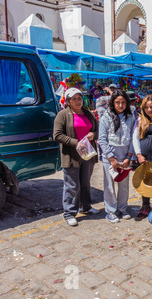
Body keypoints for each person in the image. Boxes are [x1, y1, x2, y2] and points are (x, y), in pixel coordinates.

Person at [53, 88, 99, 226]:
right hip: (72, 155)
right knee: (72, 185)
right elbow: (57, 135)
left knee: (85, 182)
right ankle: (69, 213)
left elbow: (96, 129)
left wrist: (93, 135)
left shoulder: (87, 113)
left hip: (87, 154)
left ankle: (86, 207)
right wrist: (76, 143)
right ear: (68, 101)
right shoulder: (63, 115)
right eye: (74, 99)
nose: (78, 101)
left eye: (80, 98)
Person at [98, 90, 136, 223]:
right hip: (110, 157)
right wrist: (111, 158)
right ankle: (110, 211)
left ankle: (122, 208)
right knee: (109, 184)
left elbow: (133, 138)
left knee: (124, 184)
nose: (120, 105)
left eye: (123, 102)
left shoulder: (130, 117)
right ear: (113, 103)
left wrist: (129, 157)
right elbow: (102, 139)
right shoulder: (106, 117)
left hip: (125, 156)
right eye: (117, 102)